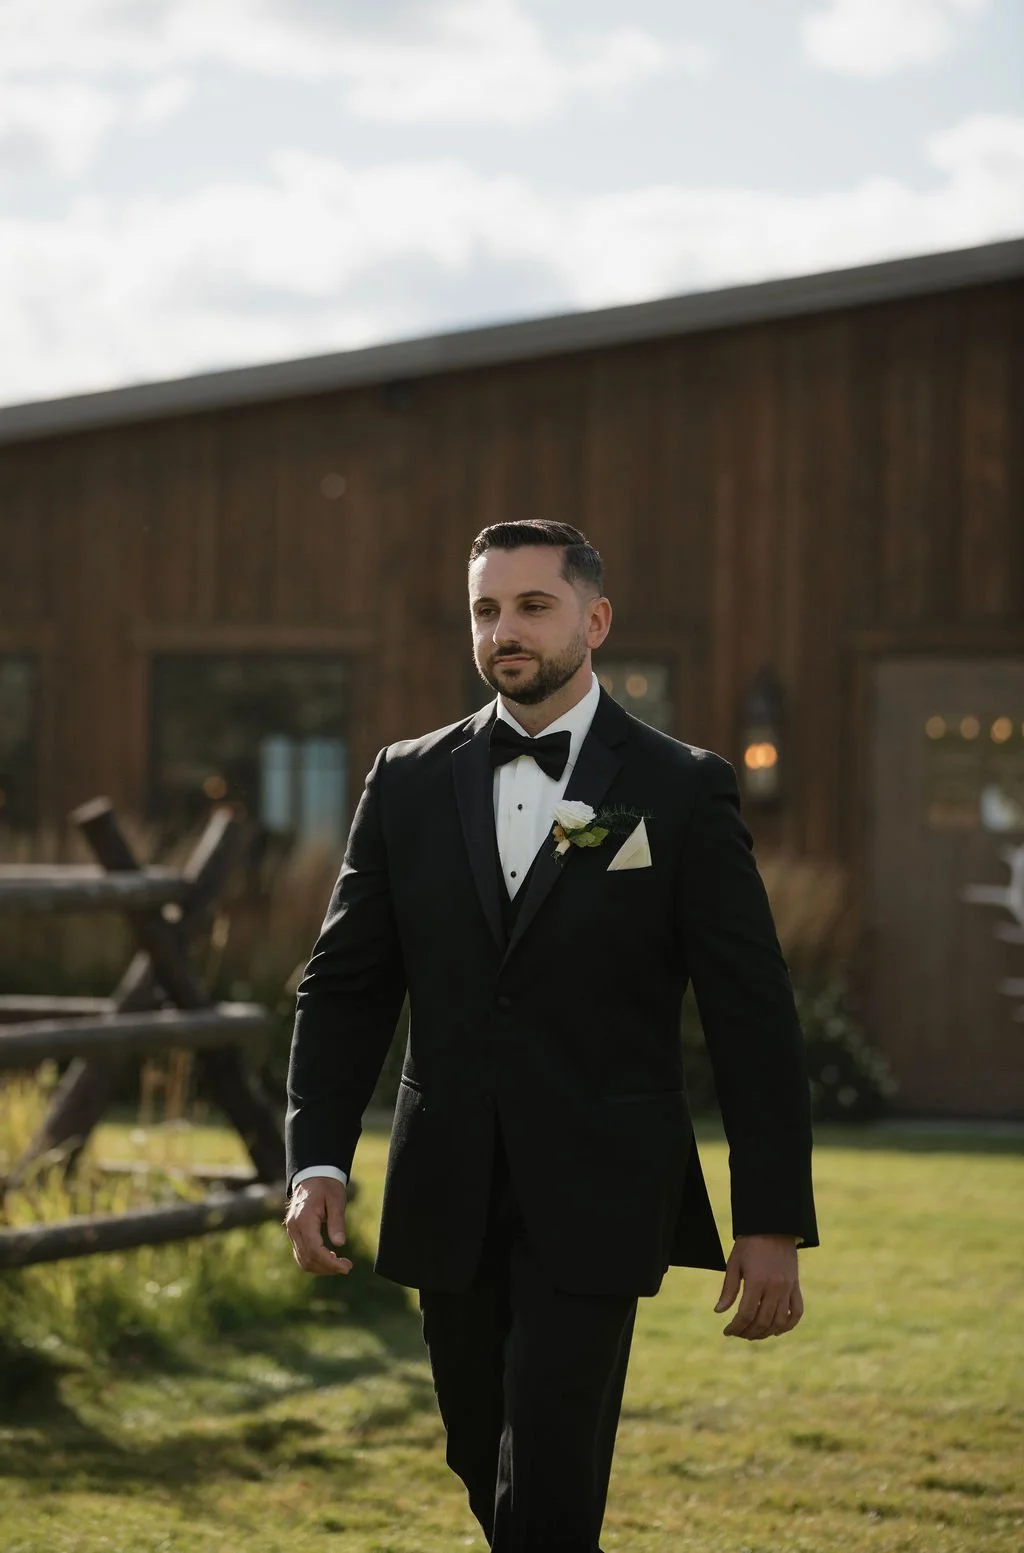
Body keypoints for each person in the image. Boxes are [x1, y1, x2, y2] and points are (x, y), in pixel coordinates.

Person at [284, 520, 818, 1552]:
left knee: (552, 1468)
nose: (504, 630)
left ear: (595, 619)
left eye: (532, 605)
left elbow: (752, 1013)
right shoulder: (405, 781)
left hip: (601, 1188)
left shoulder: (676, 787)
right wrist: (318, 1159)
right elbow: (344, 986)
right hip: (447, 1185)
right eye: (486, 609)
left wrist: (772, 1217)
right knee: (485, 1461)